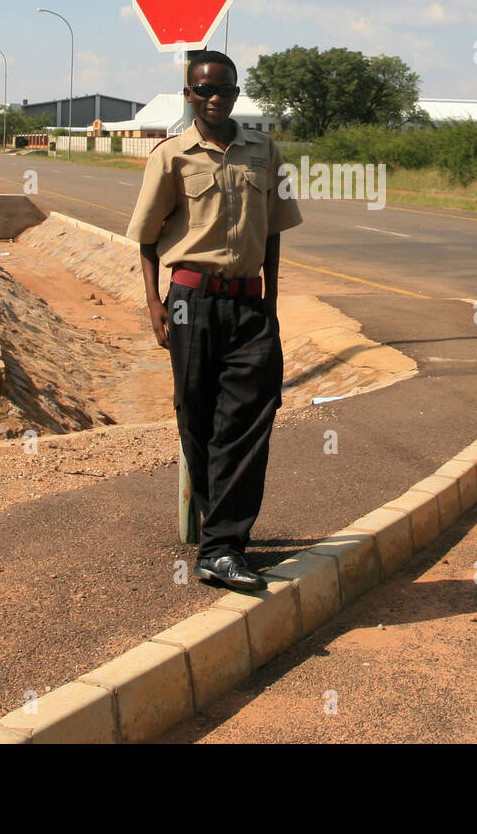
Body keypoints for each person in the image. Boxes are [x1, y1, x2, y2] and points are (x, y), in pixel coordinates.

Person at [126, 51, 302, 591]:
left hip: (249, 302)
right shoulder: (170, 156)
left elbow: (272, 230)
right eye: (204, 90)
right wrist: (155, 302)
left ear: (235, 92)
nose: (215, 98)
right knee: (196, 417)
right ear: (189, 94)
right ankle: (216, 538)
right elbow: (147, 237)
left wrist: (270, 299)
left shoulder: (267, 152)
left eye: (224, 89)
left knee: (250, 418)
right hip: (189, 300)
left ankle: (224, 545)